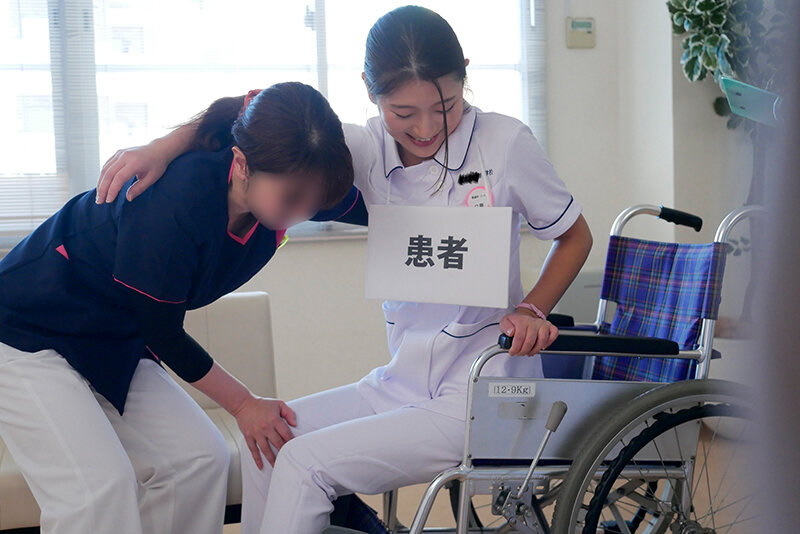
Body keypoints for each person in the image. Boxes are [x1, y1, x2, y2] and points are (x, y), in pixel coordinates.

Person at [96, 6, 593, 533]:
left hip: (482, 390)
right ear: (370, 91)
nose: (425, 128)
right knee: (268, 440)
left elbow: (574, 235)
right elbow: (259, 113)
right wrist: (166, 145)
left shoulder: (505, 143)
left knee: (306, 465)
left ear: (465, 74)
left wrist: (533, 306)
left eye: (444, 106)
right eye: (404, 113)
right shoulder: (363, 148)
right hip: (403, 381)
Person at [0, 82, 366, 534]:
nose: (303, 212)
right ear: (241, 164)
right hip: (25, 331)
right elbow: (163, 332)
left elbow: (373, 203)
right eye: (293, 199)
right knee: (98, 489)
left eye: (315, 203)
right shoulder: (173, 202)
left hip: (113, 337)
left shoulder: (288, 177)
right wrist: (245, 404)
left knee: (199, 459)